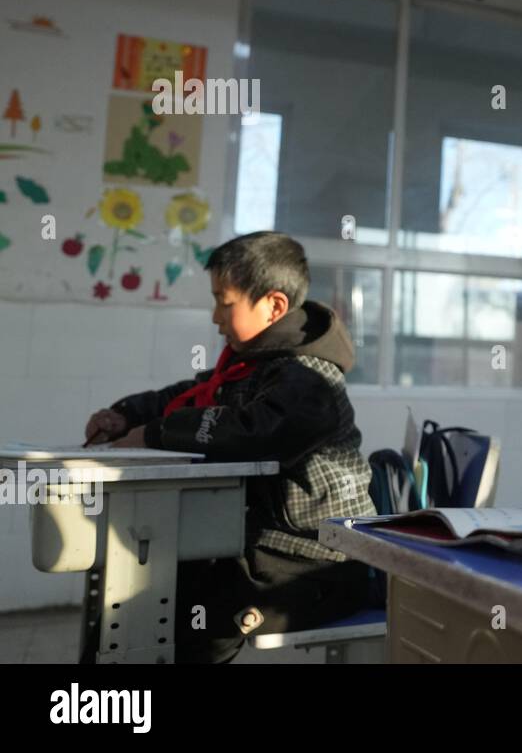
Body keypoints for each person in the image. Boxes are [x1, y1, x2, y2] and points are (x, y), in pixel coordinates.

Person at [84, 231, 376, 662]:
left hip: (320, 562)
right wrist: (128, 414)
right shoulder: (250, 365)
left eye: (226, 301)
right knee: (145, 586)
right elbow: (193, 395)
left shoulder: (309, 377)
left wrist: (155, 433)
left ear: (274, 305)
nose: (216, 316)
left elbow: (254, 432)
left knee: (191, 609)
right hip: (264, 549)